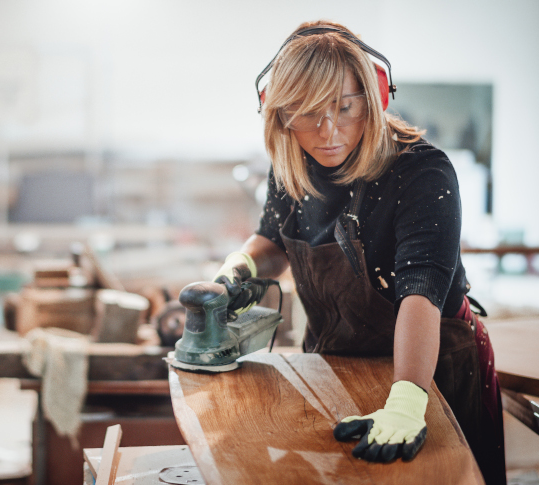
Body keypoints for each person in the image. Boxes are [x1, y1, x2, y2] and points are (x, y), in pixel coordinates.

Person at [213, 20, 506, 484]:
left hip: (432, 371)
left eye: (344, 108)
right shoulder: (292, 165)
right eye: (309, 113)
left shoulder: (422, 172)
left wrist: (409, 401)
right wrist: (239, 267)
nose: (328, 131)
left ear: (375, 98)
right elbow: (273, 240)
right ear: (281, 114)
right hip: (336, 363)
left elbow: (420, 294)